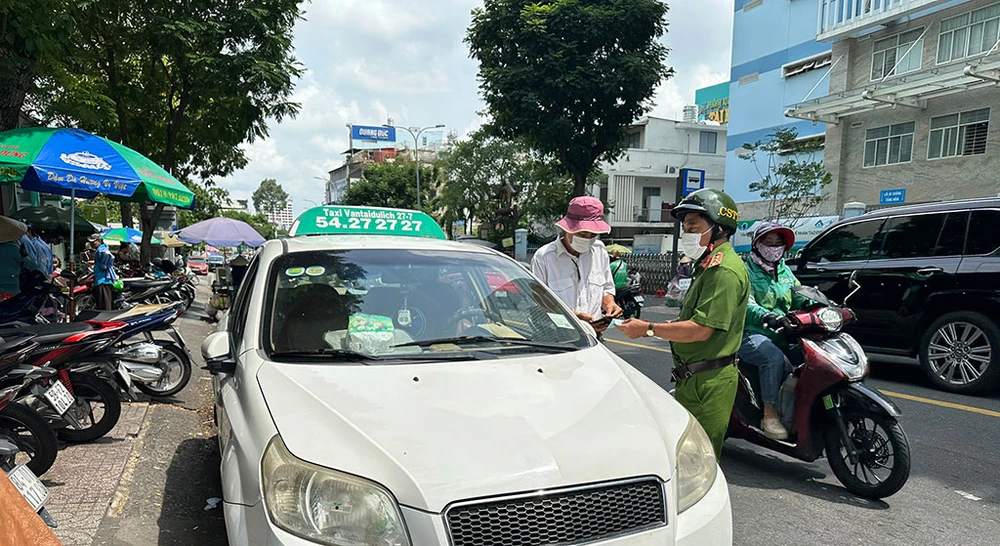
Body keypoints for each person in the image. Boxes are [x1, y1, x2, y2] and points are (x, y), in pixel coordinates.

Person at [615, 188, 750, 459]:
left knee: (700, 460)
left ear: (719, 228)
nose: (687, 233)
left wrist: (649, 328)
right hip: (695, 378)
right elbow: (695, 319)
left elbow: (701, 330)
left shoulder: (723, 271)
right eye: (685, 227)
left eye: (693, 226)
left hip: (708, 382)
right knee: (686, 455)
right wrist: (673, 324)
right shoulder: (707, 266)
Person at [740, 222, 808, 440]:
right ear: (757, 245)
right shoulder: (745, 271)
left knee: (810, 358)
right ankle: (769, 414)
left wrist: (825, 306)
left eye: (778, 243)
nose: (774, 247)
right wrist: (766, 315)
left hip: (783, 331)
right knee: (773, 357)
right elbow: (746, 304)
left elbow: (800, 295)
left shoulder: (785, 270)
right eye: (768, 242)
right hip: (751, 333)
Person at [531, 196, 622, 336]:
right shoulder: (544, 257)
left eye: (593, 234)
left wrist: (610, 304)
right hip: (555, 336)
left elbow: (606, 289)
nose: (588, 238)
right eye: (583, 233)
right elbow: (540, 301)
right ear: (568, 229)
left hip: (593, 336)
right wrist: (572, 317)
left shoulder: (599, 251)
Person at [92, 240, 117, 310]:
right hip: (100, 277)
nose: (93, 243)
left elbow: (107, 255)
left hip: (103, 278)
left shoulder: (102, 249)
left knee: (104, 300)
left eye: (94, 241)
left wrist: (104, 265)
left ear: (99, 241)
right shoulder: (100, 249)